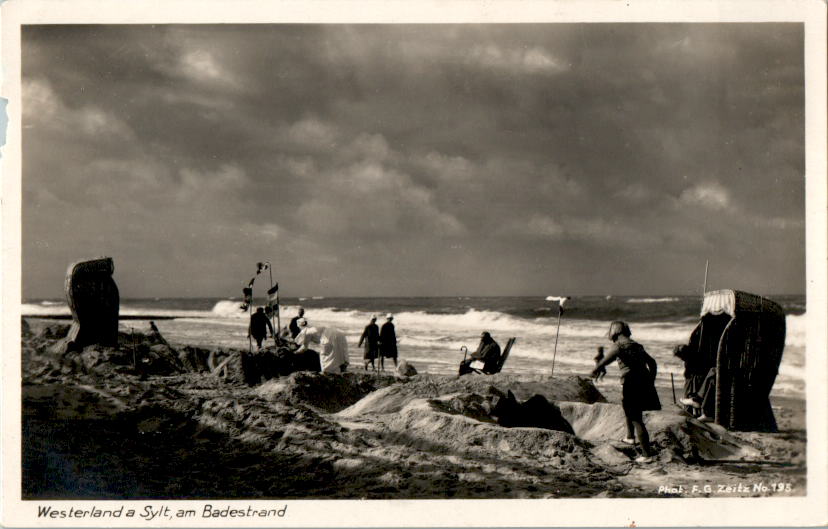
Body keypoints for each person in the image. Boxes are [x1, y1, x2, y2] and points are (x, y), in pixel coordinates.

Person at [591, 321, 660, 463]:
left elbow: (603, 363)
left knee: (636, 418)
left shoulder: (618, 346)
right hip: (643, 382)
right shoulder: (637, 345)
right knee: (627, 407)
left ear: (614, 332)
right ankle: (630, 437)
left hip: (631, 383)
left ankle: (647, 455)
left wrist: (594, 371)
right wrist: (651, 381)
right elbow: (652, 362)